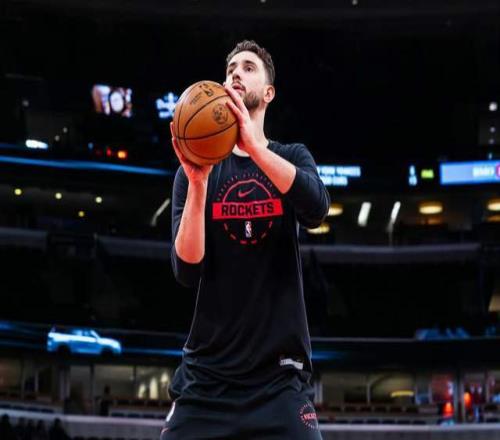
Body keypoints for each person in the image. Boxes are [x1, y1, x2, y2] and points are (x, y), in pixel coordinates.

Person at [163, 40, 330, 439]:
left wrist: (253, 147)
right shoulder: (193, 172)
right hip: (207, 380)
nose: (236, 72)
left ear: (268, 93)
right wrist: (198, 182)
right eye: (231, 68)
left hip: (279, 381)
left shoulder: (292, 155)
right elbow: (186, 270)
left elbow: (317, 208)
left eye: (249, 67)